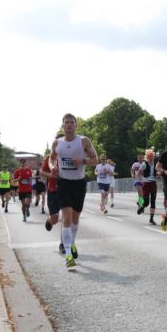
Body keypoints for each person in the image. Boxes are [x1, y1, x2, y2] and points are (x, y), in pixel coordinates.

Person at [50, 114, 98, 270]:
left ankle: (72, 242)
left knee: (75, 219)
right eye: (66, 122)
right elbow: (52, 159)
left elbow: (95, 160)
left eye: (72, 122)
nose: (69, 125)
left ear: (76, 125)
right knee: (67, 218)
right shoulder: (57, 143)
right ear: (63, 125)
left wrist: (83, 161)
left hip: (79, 184)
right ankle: (69, 255)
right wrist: (53, 167)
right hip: (64, 183)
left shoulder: (83, 141)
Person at [40, 135, 66, 253]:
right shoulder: (50, 158)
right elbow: (42, 171)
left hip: (67, 190)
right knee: (55, 219)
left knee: (66, 218)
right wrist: (51, 175)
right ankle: (50, 220)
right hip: (53, 191)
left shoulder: (71, 155)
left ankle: (63, 244)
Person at [139, 149, 159, 224]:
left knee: (153, 201)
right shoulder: (144, 164)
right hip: (146, 183)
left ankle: (151, 218)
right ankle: (142, 207)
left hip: (153, 183)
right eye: (150, 157)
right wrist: (142, 179)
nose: (151, 158)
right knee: (146, 202)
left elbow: (157, 172)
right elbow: (139, 173)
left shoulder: (156, 164)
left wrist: (158, 174)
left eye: (152, 156)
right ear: (147, 157)